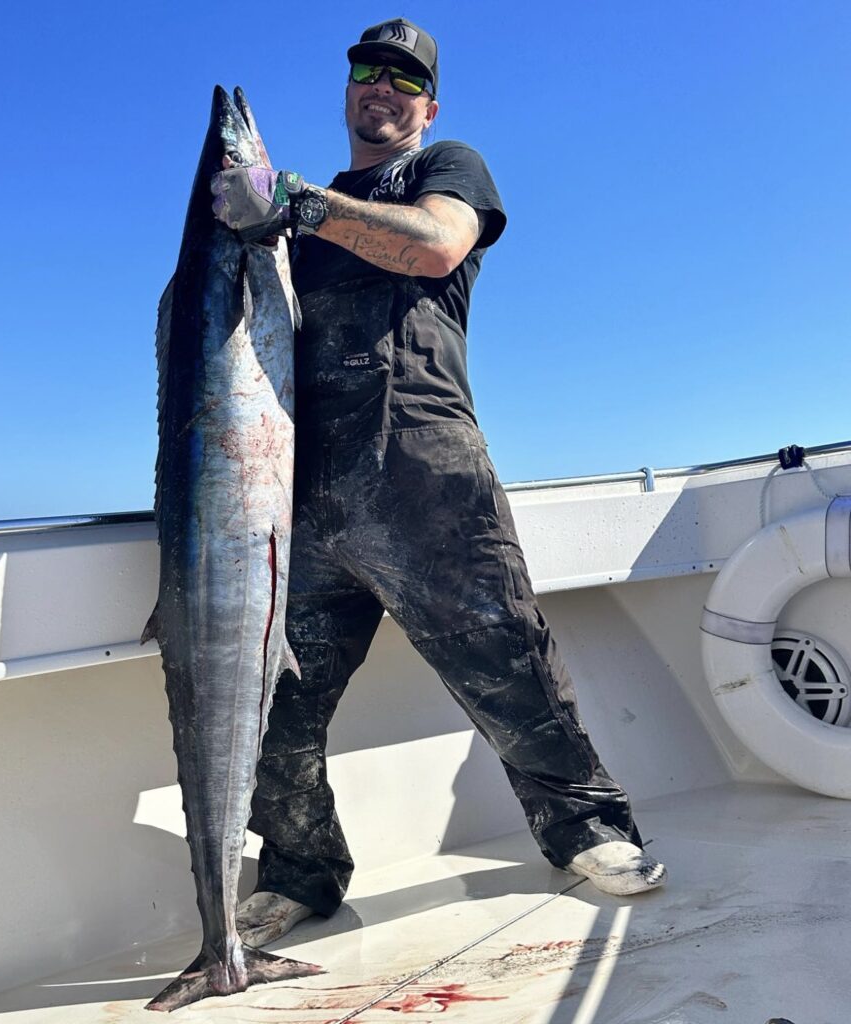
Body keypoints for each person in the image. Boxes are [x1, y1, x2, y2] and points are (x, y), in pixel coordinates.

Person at [210, 17, 667, 948]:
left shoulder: (442, 171)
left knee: (509, 670)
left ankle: (586, 829)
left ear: (427, 105)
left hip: (425, 478)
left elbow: (434, 247)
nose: (382, 88)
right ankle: (299, 872)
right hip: (303, 497)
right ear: (347, 92)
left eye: (403, 80)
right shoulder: (296, 218)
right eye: (366, 73)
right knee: (274, 707)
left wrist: (294, 202)